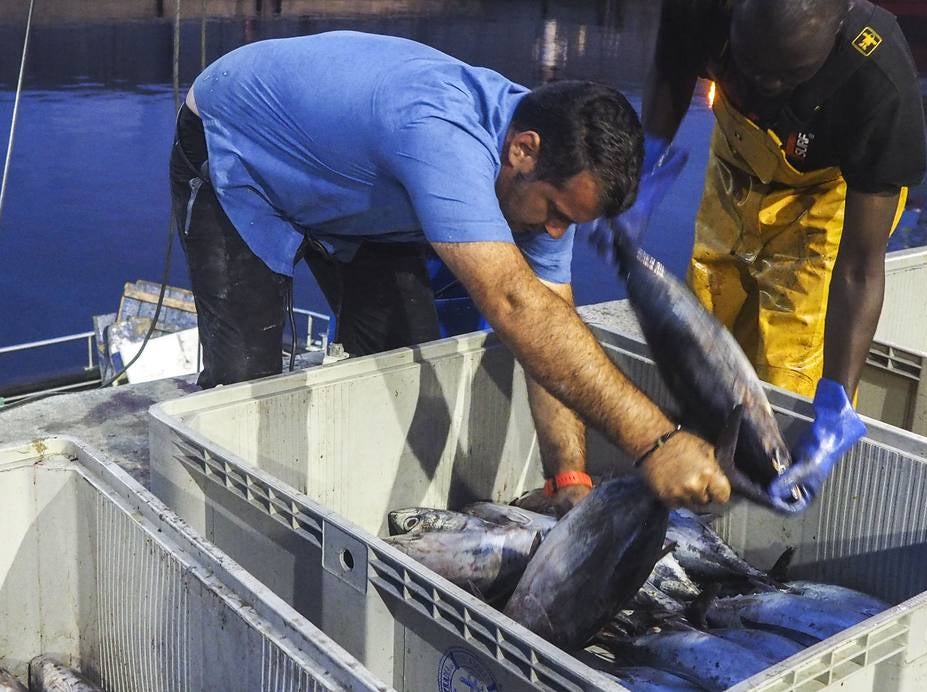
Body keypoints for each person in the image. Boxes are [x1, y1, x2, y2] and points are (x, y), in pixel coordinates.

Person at [170, 31, 730, 510]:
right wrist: (656, 441)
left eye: (572, 221)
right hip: (239, 146)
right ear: (523, 151)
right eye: (558, 214)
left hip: (361, 196)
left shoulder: (553, 166)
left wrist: (569, 479)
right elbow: (514, 305)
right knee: (242, 391)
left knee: (402, 358)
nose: (559, 233)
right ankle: (224, 525)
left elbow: (549, 327)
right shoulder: (441, 135)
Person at [609, 0, 926, 403]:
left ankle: (781, 460)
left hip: (828, 193)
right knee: (708, 320)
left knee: (789, 359)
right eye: (751, 66)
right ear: (731, 6)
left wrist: (838, 394)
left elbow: (860, 268)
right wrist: (642, 178)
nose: (767, 87)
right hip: (739, 161)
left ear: (834, 36)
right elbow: (671, 76)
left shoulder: (880, 84)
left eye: (790, 76)